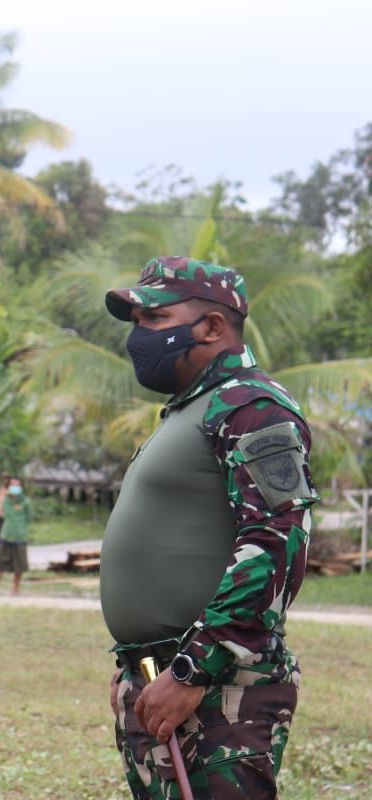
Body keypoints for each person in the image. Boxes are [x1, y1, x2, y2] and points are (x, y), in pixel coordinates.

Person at [100, 257, 318, 799]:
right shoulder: (192, 409)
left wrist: (193, 670)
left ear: (213, 328)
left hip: (217, 688)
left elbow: (277, 539)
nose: (138, 337)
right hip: (163, 675)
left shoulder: (252, 407)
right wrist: (137, 666)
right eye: (136, 322)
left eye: (154, 319)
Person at [0, 476, 32, 596]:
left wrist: (19, 527)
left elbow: (29, 518)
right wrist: (3, 493)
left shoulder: (26, 502)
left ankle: (15, 589)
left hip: (19, 538)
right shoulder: (5, 500)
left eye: (17, 485)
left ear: (21, 487)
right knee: (0, 564)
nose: (15, 488)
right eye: (12, 485)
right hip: (6, 536)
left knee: (19, 566)